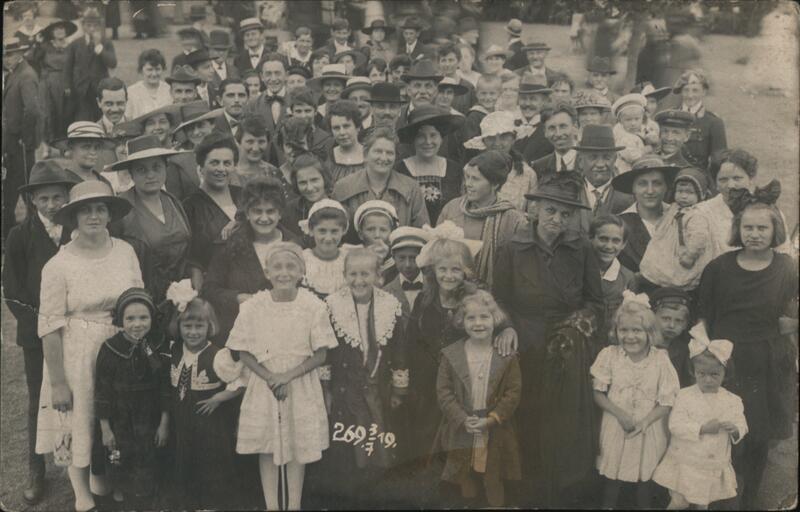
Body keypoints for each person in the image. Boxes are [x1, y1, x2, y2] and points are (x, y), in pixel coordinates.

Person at [492, 171, 604, 507]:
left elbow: (595, 302)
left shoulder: (581, 248)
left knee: (563, 421)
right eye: (551, 210)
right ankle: (524, 491)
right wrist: (507, 327)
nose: (558, 219)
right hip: (524, 343)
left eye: (566, 214)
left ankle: (563, 492)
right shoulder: (512, 247)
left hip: (567, 346)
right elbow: (497, 299)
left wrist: (575, 329)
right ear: (536, 209)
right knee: (525, 413)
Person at [36, 180, 142, 512]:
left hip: (118, 342)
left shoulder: (125, 251)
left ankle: (107, 478)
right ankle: (82, 491)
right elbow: (49, 327)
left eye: (100, 209)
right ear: (74, 217)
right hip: (77, 349)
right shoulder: (58, 265)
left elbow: (136, 297)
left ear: (110, 214)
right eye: (86, 210)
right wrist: (57, 382)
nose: (94, 216)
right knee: (79, 415)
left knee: (112, 412)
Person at [696, 183, 798, 509]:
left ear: (775, 230)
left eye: (762, 227)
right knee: (724, 437)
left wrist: (792, 324)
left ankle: (749, 500)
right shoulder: (719, 268)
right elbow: (704, 317)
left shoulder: (786, 268)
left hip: (769, 362)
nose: (754, 234)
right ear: (738, 229)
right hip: (728, 362)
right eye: (748, 227)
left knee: (757, 440)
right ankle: (718, 499)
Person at [227, 241, 337, 511]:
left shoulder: (313, 306)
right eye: (277, 267)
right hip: (264, 383)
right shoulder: (253, 306)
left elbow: (321, 354)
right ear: (267, 272)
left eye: (291, 267)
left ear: (302, 271)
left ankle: (294, 505)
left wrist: (287, 376)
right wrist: (270, 377)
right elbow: (242, 352)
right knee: (268, 445)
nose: (284, 272)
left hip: (300, 383)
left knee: (297, 445)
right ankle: (271, 506)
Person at [3, 161, 77, 504]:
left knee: (79, 390)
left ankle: (85, 462)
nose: (52, 205)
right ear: (32, 199)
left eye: (58, 197)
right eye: (44, 198)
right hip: (36, 335)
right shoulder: (20, 236)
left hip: (76, 331)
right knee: (39, 399)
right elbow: (13, 292)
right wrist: (43, 325)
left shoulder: (77, 230)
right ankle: (37, 468)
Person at [322, 248, 409, 507]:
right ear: (344, 275)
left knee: (381, 439)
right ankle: (350, 497)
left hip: (379, 389)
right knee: (348, 445)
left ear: (378, 275)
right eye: (353, 274)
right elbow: (325, 353)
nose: (359, 280)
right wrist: (326, 389)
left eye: (365, 274)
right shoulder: (332, 305)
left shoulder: (389, 305)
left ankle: (378, 494)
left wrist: (399, 390)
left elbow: (400, 350)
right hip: (345, 390)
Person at [590, 291, 680, 509]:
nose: (630, 336)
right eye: (624, 330)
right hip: (616, 424)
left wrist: (646, 422)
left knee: (644, 479)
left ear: (649, 332)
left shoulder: (660, 360)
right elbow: (598, 393)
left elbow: (667, 401)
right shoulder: (609, 355)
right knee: (612, 476)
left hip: (648, 428)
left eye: (636, 330)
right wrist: (619, 414)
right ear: (616, 331)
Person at [435, 290, 522, 507]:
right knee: (463, 474)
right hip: (462, 425)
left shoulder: (506, 356)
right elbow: (443, 391)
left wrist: (492, 418)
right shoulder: (451, 354)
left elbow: (513, 391)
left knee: (492, 474)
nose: (478, 323)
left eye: (484, 317)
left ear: (496, 319)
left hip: (493, 427)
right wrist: (462, 419)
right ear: (461, 322)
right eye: (471, 318)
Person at [652, 326, 747, 509]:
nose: (708, 380)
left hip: (712, 462)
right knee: (679, 501)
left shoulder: (732, 400)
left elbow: (741, 423)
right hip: (687, 460)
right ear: (693, 372)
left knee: (703, 502)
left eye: (714, 375)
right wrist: (702, 429)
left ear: (725, 374)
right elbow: (675, 425)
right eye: (702, 374)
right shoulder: (684, 395)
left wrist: (735, 429)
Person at [165, 295, 243, 510]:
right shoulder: (174, 350)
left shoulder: (218, 355)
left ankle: (211, 505)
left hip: (210, 427)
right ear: (178, 326)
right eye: (187, 326)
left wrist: (219, 398)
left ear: (210, 326)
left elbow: (241, 381)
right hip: (181, 424)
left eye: (199, 326)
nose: (193, 332)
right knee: (184, 464)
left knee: (211, 466)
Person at [202, 178, 302, 344]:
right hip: (243, 332)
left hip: (286, 331)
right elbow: (209, 289)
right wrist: (237, 297)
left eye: (270, 211)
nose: (264, 218)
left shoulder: (294, 244)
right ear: (247, 213)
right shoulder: (229, 245)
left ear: (280, 213)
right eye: (257, 211)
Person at [94, 288, 169, 508]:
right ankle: (121, 500)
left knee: (148, 463)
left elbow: (165, 387)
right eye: (130, 318)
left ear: (152, 319)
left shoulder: (157, 345)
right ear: (120, 320)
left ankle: (145, 501)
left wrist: (164, 423)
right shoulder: (110, 349)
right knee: (118, 461)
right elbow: (102, 391)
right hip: (120, 420)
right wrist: (105, 428)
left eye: (143, 317)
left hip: (150, 418)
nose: (137, 324)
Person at [109, 135, 192, 302]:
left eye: (156, 167)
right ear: (131, 173)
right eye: (141, 170)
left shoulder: (173, 202)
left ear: (165, 168)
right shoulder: (121, 209)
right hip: (143, 300)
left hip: (182, 295)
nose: (151, 175)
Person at [334, 128, 431, 232]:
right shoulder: (344, 187)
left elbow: (422, 233)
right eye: (378, 151)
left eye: (389, 153)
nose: (384, 158)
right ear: (366, 154)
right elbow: (335, 230)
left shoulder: (411, 189)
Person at [183, 133, 243, 291]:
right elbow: (191, 258)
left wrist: (241, 223)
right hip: (214, 285)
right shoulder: (190, 206)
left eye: (227, 163)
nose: (221, 169)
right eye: (214, 163)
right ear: (201, 167)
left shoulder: (244, 196)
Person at [639, 167, 712, 291]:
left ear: (701, 195)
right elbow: (664, 221)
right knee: (659, 264)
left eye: (689, 192)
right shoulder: (674, 207)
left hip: (684, 250)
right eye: (680, 191)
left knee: (680, 272)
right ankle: (656, 281)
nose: (683, 196)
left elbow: (699, 237)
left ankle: (677, 286)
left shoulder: (696, 214)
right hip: (667, 245)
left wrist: (690, 255)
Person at [2, 37, 42, 240]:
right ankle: (11, 232)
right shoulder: (14, 74)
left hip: (20, 144)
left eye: (10, 55)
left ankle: (34, 232)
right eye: (6, 55)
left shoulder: (26, 76)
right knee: (12, 187)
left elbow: (33, 110)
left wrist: (24, 138)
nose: (7, 59)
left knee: (25, 189)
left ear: (20, 54)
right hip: (12, 143)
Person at [395, 105, 464, 222]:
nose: (428, 142)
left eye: (433, 135)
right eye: (421, 136)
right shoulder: (399, 169)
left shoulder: (455, 169)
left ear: (441, 138)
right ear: (413, 139)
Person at [611, 155, 678, 273]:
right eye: (642, 184)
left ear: (666, 187)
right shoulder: (620, 224)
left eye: (657, 183)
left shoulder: (678, 217)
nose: (650, 191)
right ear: (633, 188)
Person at [464, 111, 538, 212]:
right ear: (484, 141)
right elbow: (464, 206)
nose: (497, 143)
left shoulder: (527, 174)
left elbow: (532, 213)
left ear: (513, 139)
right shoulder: (471, 170)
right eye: (491, 138)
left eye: (504, 137)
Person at [572, 124, 635, 233]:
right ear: (580, 161)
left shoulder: (628, 196)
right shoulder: (569, 191)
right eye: (593, 157)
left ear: (615, 159)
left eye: (607, 157)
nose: (600, 164)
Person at [64, 7, 117, 122]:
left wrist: (99, 47)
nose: (92, 29)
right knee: (83, 119)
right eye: (88, 25)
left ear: (99, 26)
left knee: (101, 118)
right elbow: (68, 67)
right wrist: (67, 86)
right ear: (83, 26)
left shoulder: (105, 42)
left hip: (100, 88)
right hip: (81, 89)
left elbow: (113, 63)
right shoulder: (76, 44)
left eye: (95, 25)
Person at [589, 215, 634, 334]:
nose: (609, 246)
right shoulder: (578, 269)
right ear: (591, 239)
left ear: (623, 244)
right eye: (603, 239)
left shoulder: (628, 278)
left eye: (616, 241)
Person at [34, 20, 77, 144]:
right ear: (52, 32)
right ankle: (48, 143)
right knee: (48, 113)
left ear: (66, 31)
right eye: (56, 29)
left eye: (62, 28)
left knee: (65, 113)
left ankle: (63, 143)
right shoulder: (45, 46)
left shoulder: (71, 46)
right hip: (48, 83)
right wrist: (37, 43)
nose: (59, 31)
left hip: (66, 83)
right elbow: (33, 59)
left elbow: (76, 65)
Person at [673, 69, 727, 169]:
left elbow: (718, 161)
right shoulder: (670, 116)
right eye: (686, 90)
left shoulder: (714, 122)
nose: (690, 96)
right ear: (681, 92)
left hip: (697, 177)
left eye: (695, 90)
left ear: (704, 92)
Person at [299, 199, 354, 293]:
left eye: (334, 231)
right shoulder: (303, 259)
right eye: (322, 231)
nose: (328, 238)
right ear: (311, 230)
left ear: (344, 231)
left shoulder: (349, 259)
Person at [282, 153, 334, 241]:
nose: (309, 188)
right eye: (302, 183)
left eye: (314, 180)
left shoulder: (339, 209)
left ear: (324, 179)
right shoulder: (289, 211)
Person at [383, 227, 430, 320]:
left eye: (413, 258)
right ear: (394, 258)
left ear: (423, 258)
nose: (407, 265)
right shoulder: (386, 292)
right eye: (401, 258)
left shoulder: (434, 287)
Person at [651, 287, 693, 388]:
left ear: (685, 325)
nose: (671, 325)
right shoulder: (643, 345)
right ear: (652, 317)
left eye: (678, 321)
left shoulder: (684, 351)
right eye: (666, 319)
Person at [51, 122, 115, 187]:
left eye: (96, 147)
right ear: (71, 147)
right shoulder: (62, 181)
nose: (93, 152)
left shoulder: (104, 183)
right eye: (86, 147)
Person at [232, 114, 283, 188]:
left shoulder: (273, 173)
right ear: (238, 142)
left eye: (261, 142)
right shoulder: (229, 174)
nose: (255, 148)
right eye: (250, 142)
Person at [531, 102, 580, 178]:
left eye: (563, 126)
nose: (558, 134)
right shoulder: (538, 167)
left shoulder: (589, 162)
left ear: (575, 127)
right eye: (552, 128)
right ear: (545, 132)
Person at [242, 54, 288, 134]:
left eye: (277, 73)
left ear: (286, 75)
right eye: (268, 74)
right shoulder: (253, 104)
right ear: (262, 77)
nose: (273, 79)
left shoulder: (296, 100)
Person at [513, 76, 554, 164]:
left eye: (533, 99)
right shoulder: (510, 125)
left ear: (544, 102)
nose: (527, 104)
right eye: (523, 98)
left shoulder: (549, 129)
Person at [324, 99, 366, 182]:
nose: (342, 132)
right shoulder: (327, 158)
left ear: (357, 127)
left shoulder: (370, 155)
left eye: (346, 126)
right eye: (336, 128)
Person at [125, 49, 172, 120]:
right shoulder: (131, 92)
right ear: (141, 70)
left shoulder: (169, 90)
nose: (154, 74)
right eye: (150, 69)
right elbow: (128, 118)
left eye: (157, 69)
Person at [397, 59, 443, 126]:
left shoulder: (445, 117)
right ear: (408, 90)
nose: (422, 91)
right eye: (417, 86)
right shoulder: (397, 117)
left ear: (435, 91)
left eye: (428, 86)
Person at [463, 74, 501, 141]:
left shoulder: (499, 113)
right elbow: (471, 141)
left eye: (492, 93)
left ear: (499, 94)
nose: (488, 98)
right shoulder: (473, 117)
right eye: (483, 93)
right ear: (476, 94)